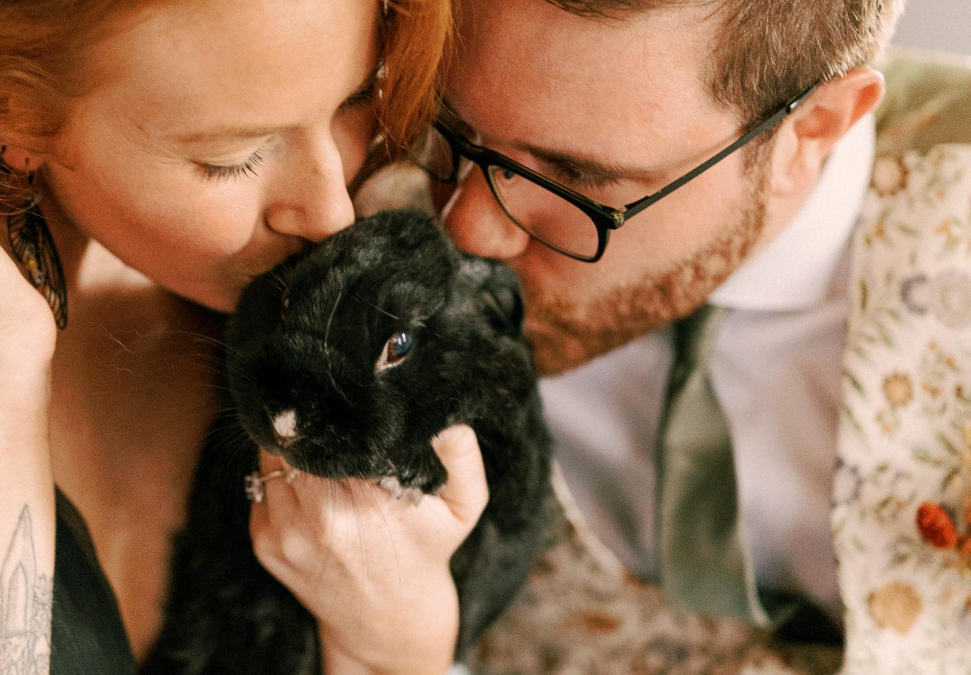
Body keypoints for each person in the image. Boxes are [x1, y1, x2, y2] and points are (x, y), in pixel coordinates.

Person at [0, 1, 490, 674]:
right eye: (233, 156)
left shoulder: (341, 288)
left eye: (354, 100)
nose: (331, 209)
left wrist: (394, 646)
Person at [415, 0, 971, 668]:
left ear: (812, 130)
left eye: (576, 179)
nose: (466, 229)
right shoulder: (353, 195)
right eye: (450, 126)